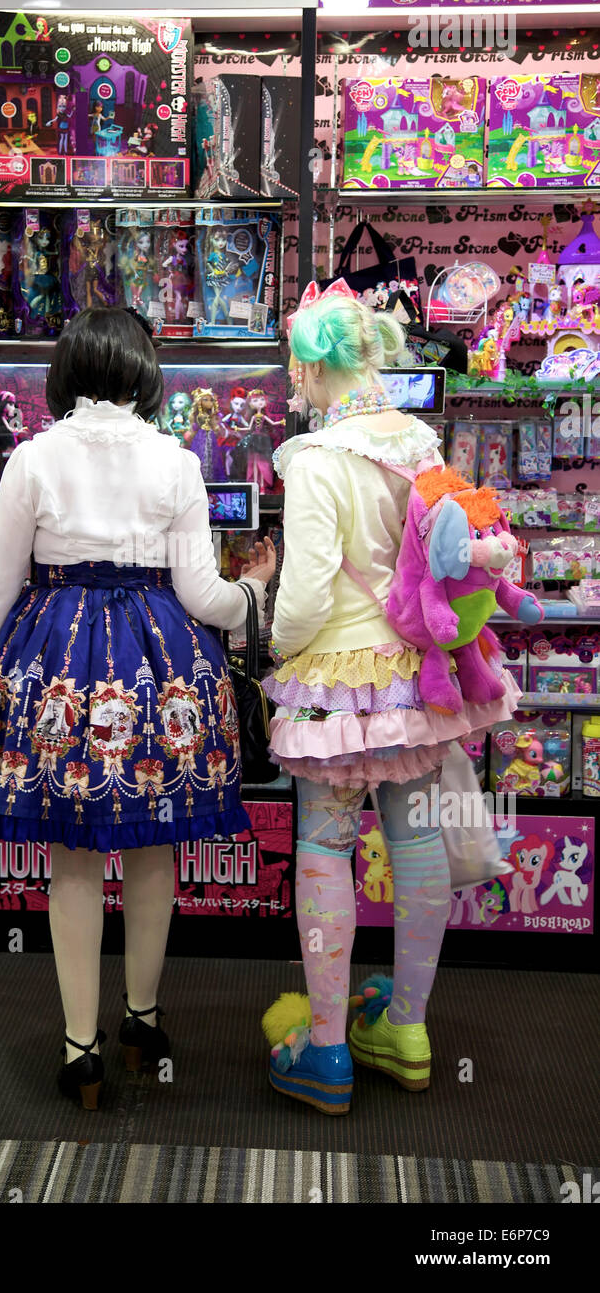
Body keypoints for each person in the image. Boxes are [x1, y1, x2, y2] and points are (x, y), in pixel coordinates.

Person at [0, 307, 275, 1110]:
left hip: (55, 658)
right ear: (145, 374)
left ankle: (78, 1048)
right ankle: (141, 1023)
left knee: (72, 857)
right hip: (162, 667)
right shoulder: (176, 461)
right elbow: (202, 596)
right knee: (156, 849)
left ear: (67, 370)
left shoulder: (33, 458)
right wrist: (255, 588)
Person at [260, 289, 521, 1115]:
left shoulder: (314, 458)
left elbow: (302, 597)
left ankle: (328, 1052)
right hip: (418, 680)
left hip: (336, 687)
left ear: (307, 364)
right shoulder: (419, 441)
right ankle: (407, 1029)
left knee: (326, 848)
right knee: (415, 842)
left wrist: (275, 648)